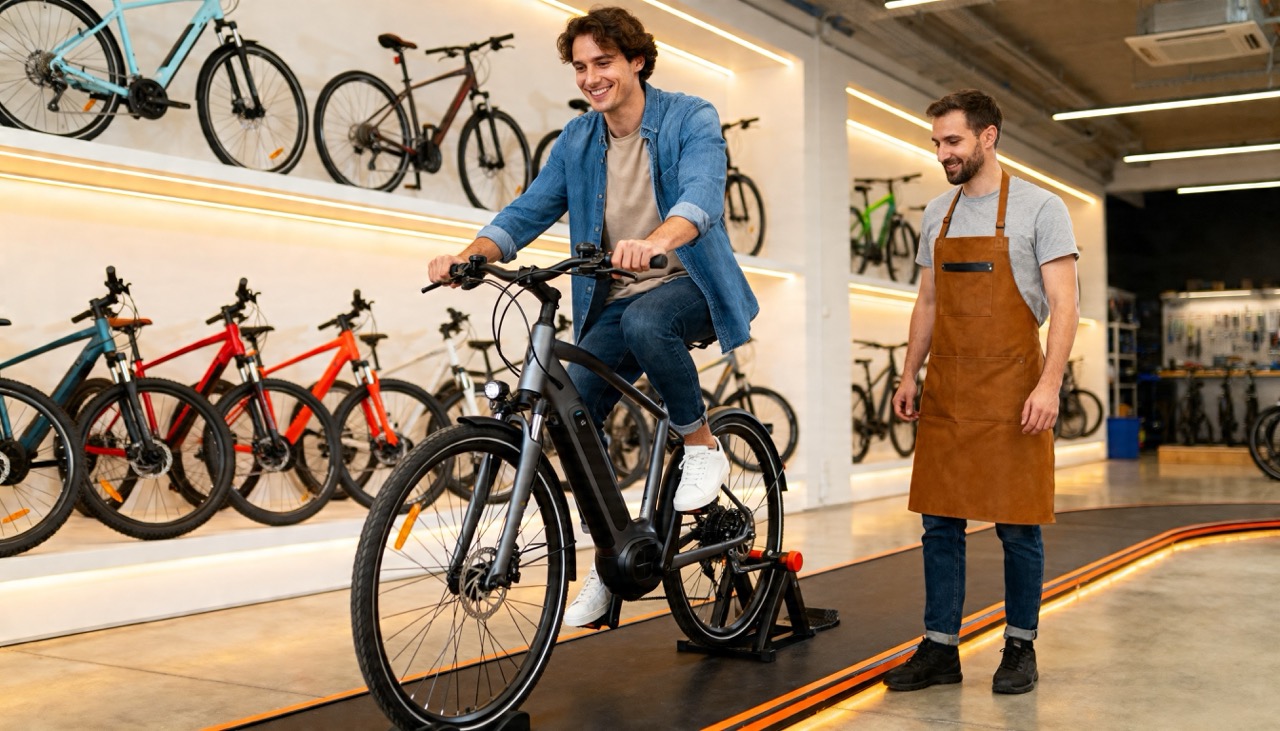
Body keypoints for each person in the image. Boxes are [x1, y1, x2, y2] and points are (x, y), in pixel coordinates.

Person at [426, 7, 758, 628]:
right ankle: (614, 552)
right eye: (580, 67)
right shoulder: (578, 140)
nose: (590, 77)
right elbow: (528, 210)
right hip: (616, 295)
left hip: (688, 282)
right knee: (567, 410)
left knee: (646, 324)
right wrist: (472, 255)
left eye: (603, 63)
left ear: (636, 60)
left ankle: (701, 444)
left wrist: (660, 240)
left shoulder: (690, 116)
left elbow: (702, 195)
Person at [884, 89, 1080, 695]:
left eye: (953, 141)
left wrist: (1050, 383)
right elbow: (929, 301)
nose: (942, 153)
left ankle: (1019, 647)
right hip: (949, 386)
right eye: (937, 142)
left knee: (1018, 527)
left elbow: (1067, 307)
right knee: (939, 525)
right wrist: (909, 371)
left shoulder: (1041, 208)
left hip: (1016, 390)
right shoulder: (936, 213)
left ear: (987, 137)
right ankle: (941, 648)